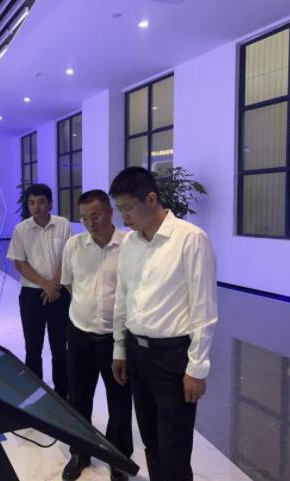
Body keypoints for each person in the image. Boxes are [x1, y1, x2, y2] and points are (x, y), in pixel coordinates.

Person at [109, 167, 218, 481]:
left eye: (128, 208)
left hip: (172, 358)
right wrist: (120, 349)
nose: (124, 217)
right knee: (151, 441)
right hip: (137, 353)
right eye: (120, 210)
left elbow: (204, 309)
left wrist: (196, 369)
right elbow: (123, 297)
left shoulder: (190, 239)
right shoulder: (130, 243)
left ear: (151, 199)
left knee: (174, 447)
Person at [60, 190, 133, 481]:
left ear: (110, 213)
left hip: (117, 339)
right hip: (80, 334)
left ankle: (119, 459)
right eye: (84, 217)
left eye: (96, 216)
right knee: (78, 398)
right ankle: (80, 453)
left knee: (119, 401)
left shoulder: (130, 244)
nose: (90, 223)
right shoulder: (74, 245)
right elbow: (68, 284)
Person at [7, 183, 70, 398]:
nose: (36, 207)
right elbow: (20, 264)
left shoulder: (62, 224)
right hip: (32, 295)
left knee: (60, 347)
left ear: (50, 203)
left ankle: (62, 395)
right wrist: (45, 285)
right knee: (33, 348)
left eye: (41, 202)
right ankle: (34, 396)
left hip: (59, 292)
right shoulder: (21, 229)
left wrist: (54, 285)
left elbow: (66, 257)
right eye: (32, 202)